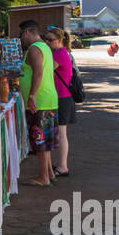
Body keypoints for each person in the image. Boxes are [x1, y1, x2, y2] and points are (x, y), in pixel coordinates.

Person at [18, 20, 59, 187]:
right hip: (48, 99)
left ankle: (43, 177)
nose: (21, 39)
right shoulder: (45, 47)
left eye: (21, 35)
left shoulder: (34, 49)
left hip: (39, 101)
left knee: (39, 140)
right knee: (46, 140)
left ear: (27, 32)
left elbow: (38, 73)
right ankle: (48, 173)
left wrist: (32, 96)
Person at [45, 26, 76, 177]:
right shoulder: (61, 53)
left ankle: (62, 166)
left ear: (58, 41)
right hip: (62, 97)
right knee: (60, 132)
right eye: (46, 39)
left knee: (62, 133)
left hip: (62, 98)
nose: (47, 42)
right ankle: (60, 163)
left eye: (50, 40)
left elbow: (45, 71)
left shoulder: (59, 54)